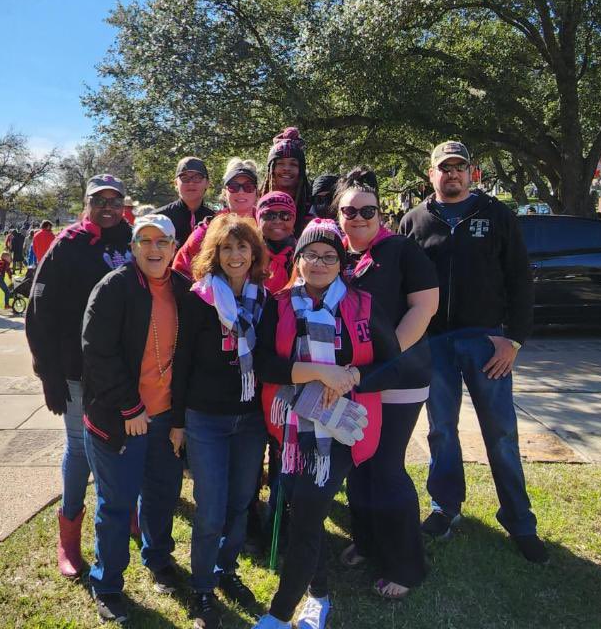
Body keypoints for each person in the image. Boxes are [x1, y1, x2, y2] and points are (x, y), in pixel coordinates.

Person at [252, 219, 419, 629]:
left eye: (329, 256)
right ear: (299, 259)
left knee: (307, 515)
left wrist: (354, 376)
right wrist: (318, 372)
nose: (320, 263)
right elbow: (265, 365)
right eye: (311, 254)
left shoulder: (361, 305)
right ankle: (319, 592)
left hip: (341, 432)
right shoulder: (278, 303)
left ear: (341, 263)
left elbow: (394, 365)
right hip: (292, 430)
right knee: (301, 513)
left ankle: (279, 613)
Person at [400, 140, 547, 564]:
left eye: (459, 167)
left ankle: (519, 520)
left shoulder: (496, 215)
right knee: (441, 431)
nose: (452, 174)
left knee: (500, 433)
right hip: (435, 344)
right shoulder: (414, 221)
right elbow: (400, 284)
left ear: (472, 173)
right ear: (431, 174)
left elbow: (521, 279)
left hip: (487, 342)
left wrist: (514, 339)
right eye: (444, 168)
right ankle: (446, 508)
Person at [332, 167, 438, 597]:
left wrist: (384, 355)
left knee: (387, 466)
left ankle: (406, 565)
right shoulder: (335, 255)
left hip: (398, 376)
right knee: (360, 464)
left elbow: (424, 307)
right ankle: (368, 540)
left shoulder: (401, 250)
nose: (357, 217)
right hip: (352, 379)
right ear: (338, 215)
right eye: (348, 211)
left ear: (379, 212)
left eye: (367, 210)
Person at [80, 213, 190, 623]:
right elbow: (97, 352)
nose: (154, 248)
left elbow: (189, 359)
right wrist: (131, 407)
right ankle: (107, 583)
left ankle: (159, 559)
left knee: (162, 495)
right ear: (133, 246)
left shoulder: (182, 290)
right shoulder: (113, 288)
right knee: (117, 504)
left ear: (175, 246)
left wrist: (177, 418)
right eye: (145, 240)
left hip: (165, 419)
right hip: (118, 418)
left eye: (162, 241)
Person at [25, 174, 134, 584]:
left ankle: (131, 516)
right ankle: (69, 533)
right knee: (81, 448)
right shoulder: (66, 245)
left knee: (128, 443)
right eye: (99, 199)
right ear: (86, 203)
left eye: (115, 200)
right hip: (75, 369)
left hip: (125, 369)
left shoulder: (134, 239)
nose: (107, 206)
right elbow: (39, 311)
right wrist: (47, 372)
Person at [174, 215, 271, 628]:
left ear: (254, 253)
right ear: (214, 253)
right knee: (211, 508)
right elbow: (181, 365)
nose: (235, 255)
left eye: (243, 247)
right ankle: (201, 589)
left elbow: (271, 360)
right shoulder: (198, 300)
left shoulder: (265, 301)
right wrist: (177, 420)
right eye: (227, 247)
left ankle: (226, 570)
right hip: (206, 419)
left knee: (239, 503)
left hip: (249, 419)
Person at [174, 158, 260, 278]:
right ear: (225, 192)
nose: (241, 192)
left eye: (248, 186)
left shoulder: (268, 226)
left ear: (257, 192)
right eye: (234, 187)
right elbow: (180, 269)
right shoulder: (208, 228)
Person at [260, 128, 313, 231]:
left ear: (301, 171)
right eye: (280, 163)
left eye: (293, 164)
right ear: (271, 170)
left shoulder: (312, 208)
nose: (286, 169)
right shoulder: (256, 204)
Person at [155, 156, 216, 247]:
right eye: (184, 178)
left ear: (207, 183)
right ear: (176, 183)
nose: (191, 183)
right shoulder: (158, 219)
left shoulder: (215, 220)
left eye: (197, 178)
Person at [256, 192, 298, 295]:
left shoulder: (303, 255)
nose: (278, 221)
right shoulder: (249, 254)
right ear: (258, 219)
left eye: (285, 215)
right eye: (269, 215)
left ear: (293, 220)